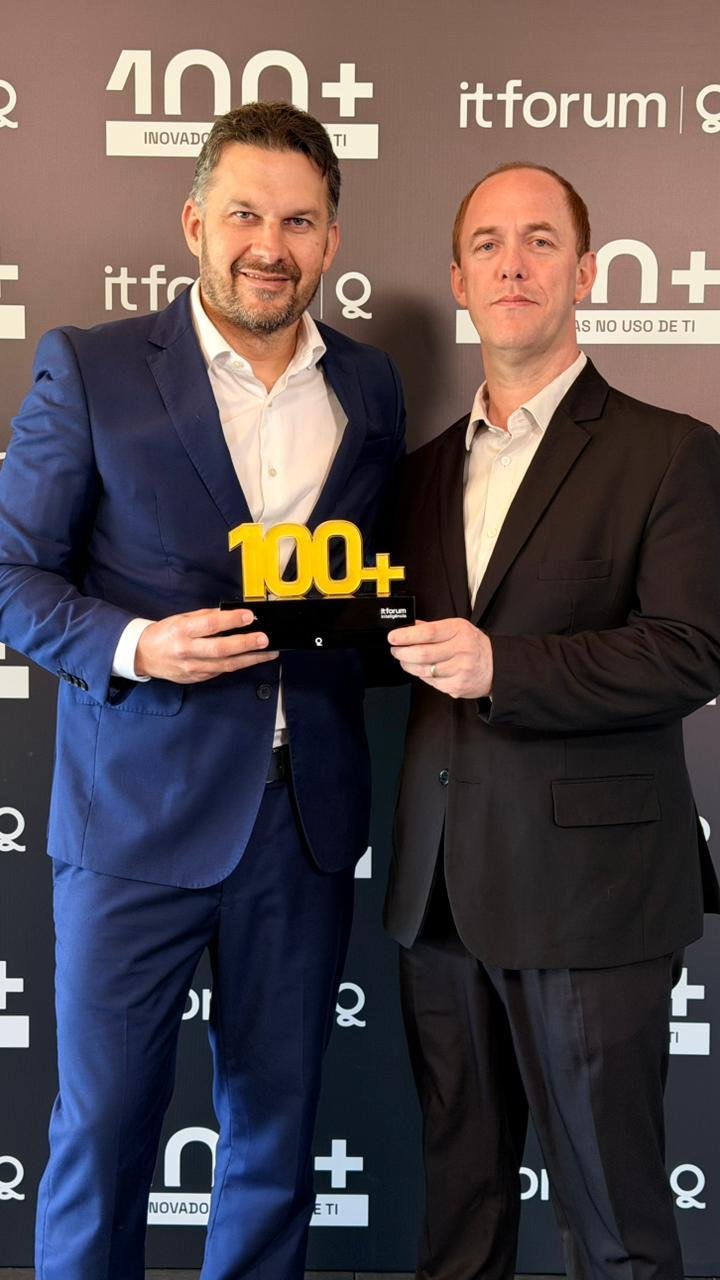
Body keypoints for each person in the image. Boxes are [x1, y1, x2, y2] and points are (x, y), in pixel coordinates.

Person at [0, 101, 404, 1280]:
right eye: (243, 215)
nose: (269, 245)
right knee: (105, 1134)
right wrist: (137, 643)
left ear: (332, 240)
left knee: (276, 1135)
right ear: (193, 224)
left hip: (302, 821)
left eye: (299, 221)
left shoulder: (370, 387)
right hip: (134, 820)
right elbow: (12, 575)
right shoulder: (93, 366)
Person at [384, 162, 720, 1279]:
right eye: (487, 244)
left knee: (617, 1230)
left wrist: (504, 666)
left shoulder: (671, 451)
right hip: (439, 898)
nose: (512, 264)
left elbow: (693, 649)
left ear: (585, 273)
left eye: (540, 241)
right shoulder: (416, 476)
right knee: (459, 1231)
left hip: (594, 900)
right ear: (458, 279)